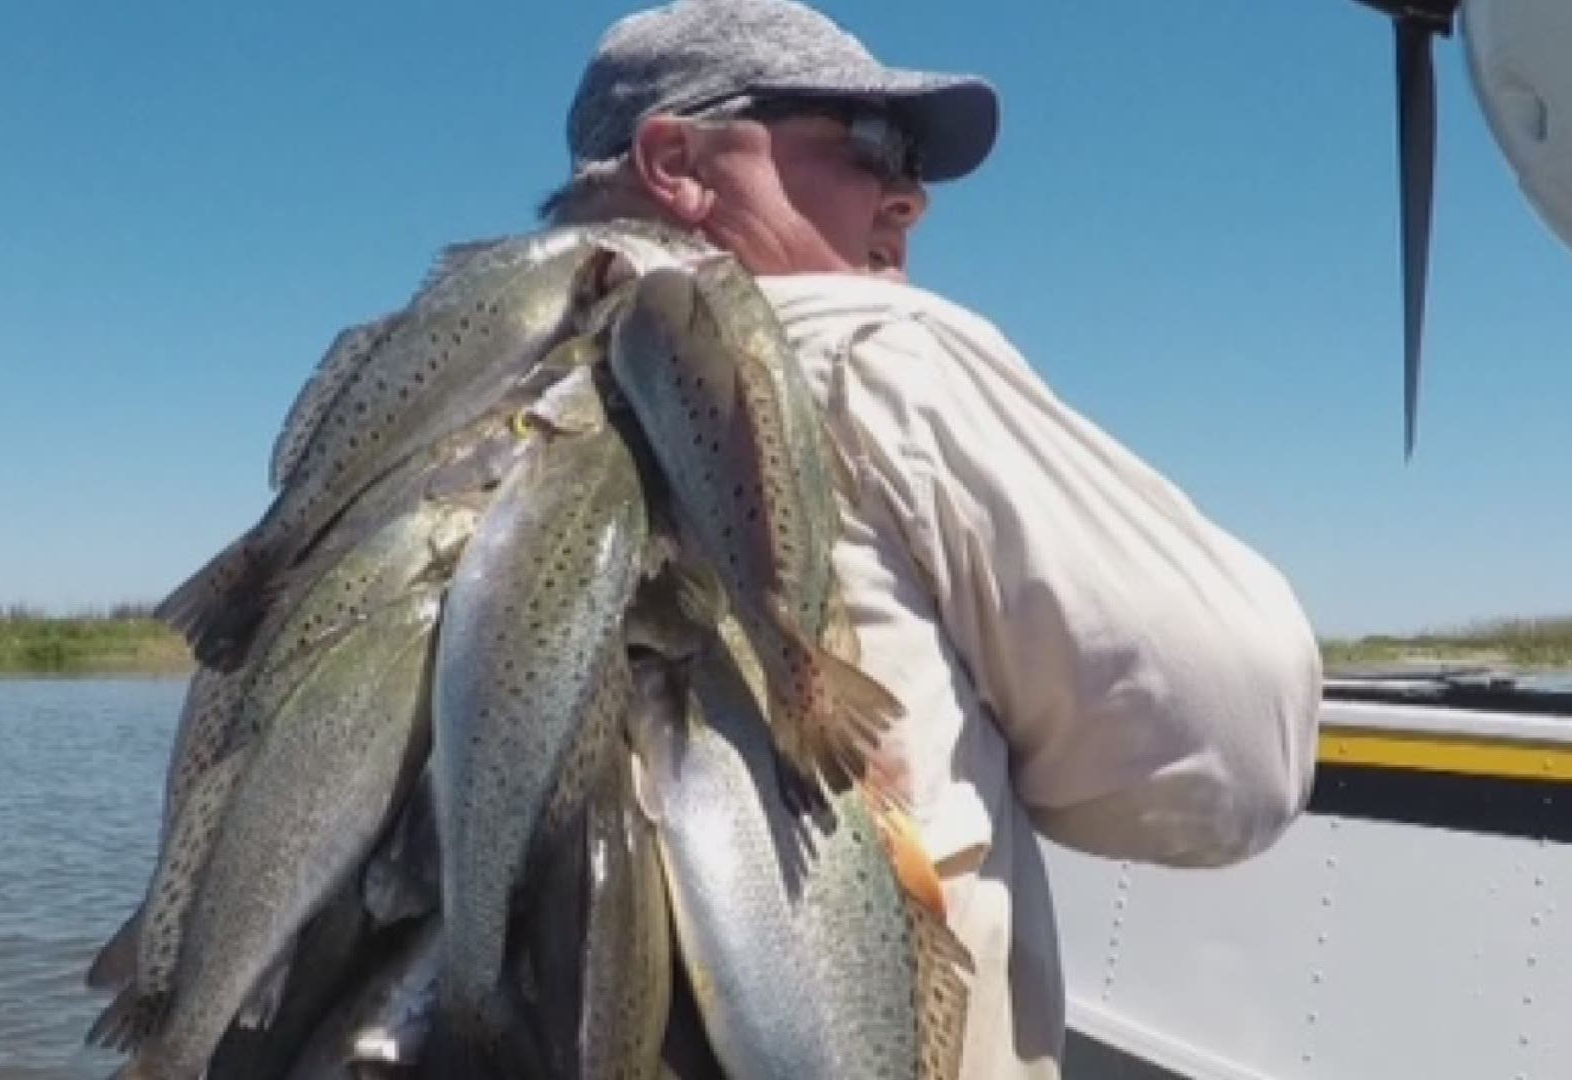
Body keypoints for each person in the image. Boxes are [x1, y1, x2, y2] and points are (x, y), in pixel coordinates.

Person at [545, 2, 1325, 1078]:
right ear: (678, 162)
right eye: (870, 147)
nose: (909, 198)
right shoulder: (867, 351)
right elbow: (1235, 748)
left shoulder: (467, 414)